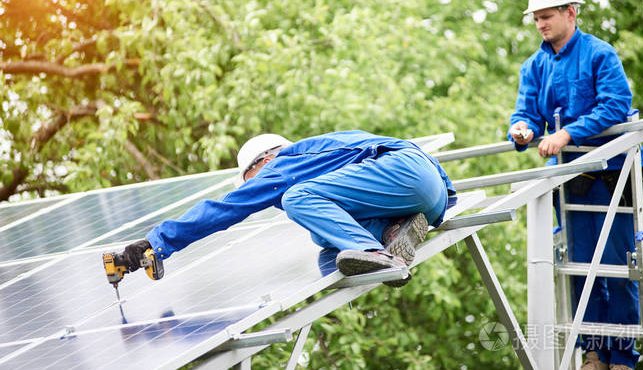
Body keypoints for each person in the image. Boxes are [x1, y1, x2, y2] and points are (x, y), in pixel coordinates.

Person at [508, 0, 643, 370]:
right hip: (571, 182)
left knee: (619, 268)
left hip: (611, 177)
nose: (541, 24)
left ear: (571, 13)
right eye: (536, 19)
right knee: (578, 267)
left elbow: (615, 105)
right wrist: (521, 129)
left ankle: (622, 359)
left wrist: (566, 134)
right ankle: (594, 354)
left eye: (547, 16)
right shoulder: (534, 67)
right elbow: (526, 113)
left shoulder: (599, 55)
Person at [121, 130, 455, 288]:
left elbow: (226, 208)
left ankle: (374, 248)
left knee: (297, 198)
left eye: (251, 179)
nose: (256, 186)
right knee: (327, 241)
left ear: (263, 161)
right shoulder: (327, 151)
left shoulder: (282, 163)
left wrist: (157, 241)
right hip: (429, 187)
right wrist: (443, 199)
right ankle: (390, 231)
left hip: (402, 170)